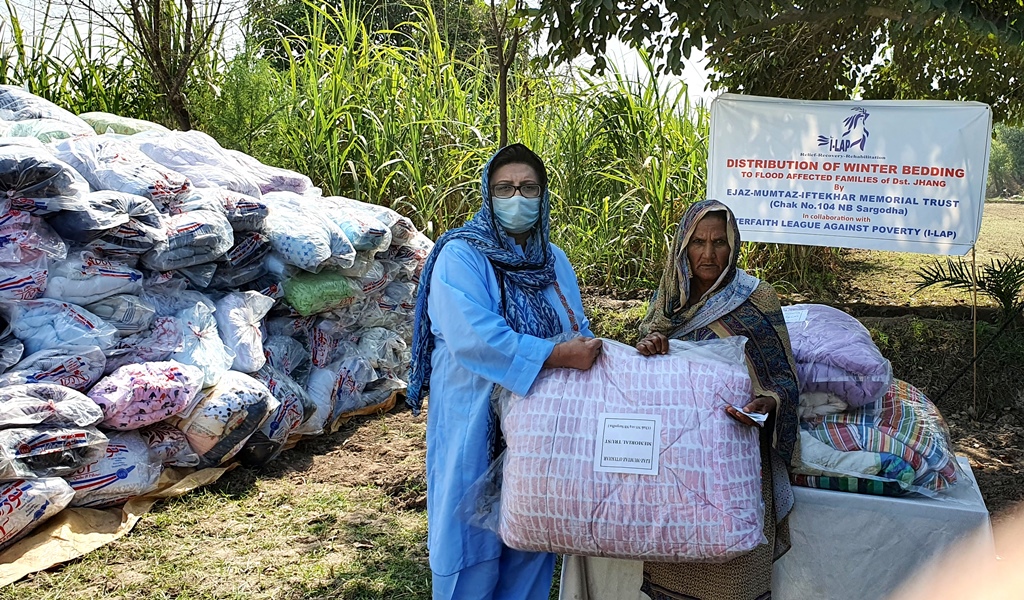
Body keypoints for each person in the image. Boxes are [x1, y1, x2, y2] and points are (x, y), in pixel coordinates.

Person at [559, 199, 800, 600]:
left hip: (736, 461)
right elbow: (643, 379)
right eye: (698, 242)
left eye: (719, 242)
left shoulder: (758, 299)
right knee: (674, 555)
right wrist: (649, 348)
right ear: (683, 247)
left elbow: (784, 380)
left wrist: (766, 404)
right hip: (677, 465)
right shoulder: (669, 300)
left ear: (734, 245)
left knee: (735, 572)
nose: (708, 253)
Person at [407, 143, 603, 600]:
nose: (517, 197)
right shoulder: (462, 255)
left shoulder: (553, 261)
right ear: (487, 194)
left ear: (543, 195)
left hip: (541, 428)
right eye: (505, 188)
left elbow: (576, 326)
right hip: (475, 418)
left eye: (528, 187)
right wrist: (556, 355)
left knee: (531, 539)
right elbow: (475, 337)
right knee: (469, 549)